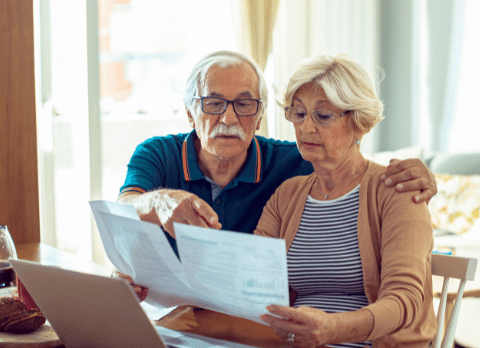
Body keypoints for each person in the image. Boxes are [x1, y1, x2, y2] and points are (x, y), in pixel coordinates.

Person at [116, 51, 436, 301]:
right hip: (165, 308)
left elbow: (346, 161)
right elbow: (122, 208)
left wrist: (421, 176)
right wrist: (160, 202)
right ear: (190, 113)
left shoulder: (293, 160)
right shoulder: (157, 152)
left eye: (244, 104)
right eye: (213, 103)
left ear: (259, 117)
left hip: (236, 315)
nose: (229, 117)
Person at [255, 53, 436, 348]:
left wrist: (332, 329)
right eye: (298, 113)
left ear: (359, 123)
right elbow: (252, 275)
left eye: (323, 115)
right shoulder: (288, 194)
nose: (306, 126)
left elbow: (405, 300)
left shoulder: (397, 191)